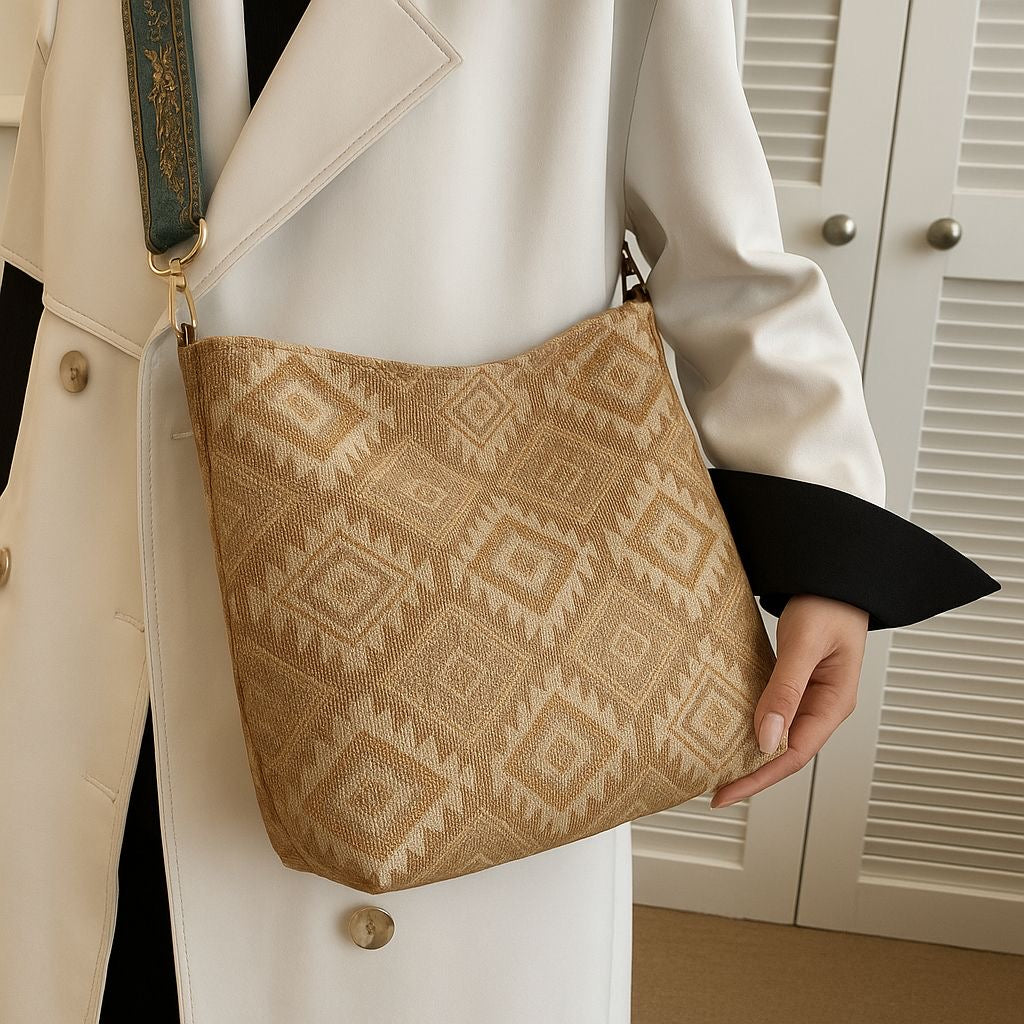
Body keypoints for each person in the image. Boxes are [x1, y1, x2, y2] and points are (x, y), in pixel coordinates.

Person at [0, 2, 997, 1022]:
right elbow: (52, 204)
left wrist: (828, 541)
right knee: (103, 949)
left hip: (460, 603)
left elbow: (719, 246)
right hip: (103, 531)